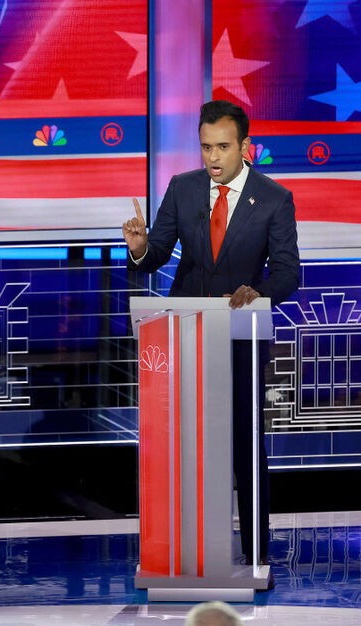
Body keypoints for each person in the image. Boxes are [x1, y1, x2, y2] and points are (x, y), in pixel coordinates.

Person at [123, 100, 299, 569]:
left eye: (222, 147)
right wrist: (140, 249)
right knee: (182, 440)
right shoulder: (183, 190)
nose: (213, 158)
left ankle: (256, 549)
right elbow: (158, 251)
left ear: (245, 146)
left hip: (242, 335)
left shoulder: (275, 198)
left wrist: (257, 290)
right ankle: (181, 546)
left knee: (245, 441)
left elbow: (288, 272)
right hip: (184, 333)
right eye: (205, 148)